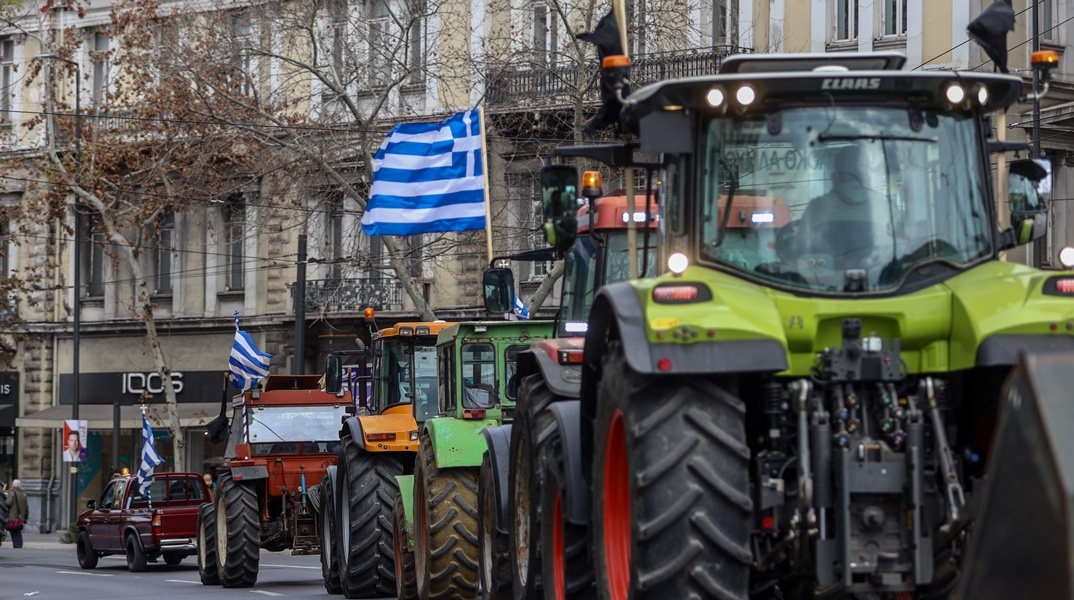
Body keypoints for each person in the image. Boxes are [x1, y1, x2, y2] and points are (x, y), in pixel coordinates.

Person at [797, 145, 891, 268]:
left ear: (836, 178)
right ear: (866, 177)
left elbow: (801, 251)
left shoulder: (815, 208)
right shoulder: (887, 208)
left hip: (821, 283)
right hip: (878, 281)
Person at [6, 479, 28, 549]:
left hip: (13, 516)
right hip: (21, 517)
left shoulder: (12, 493)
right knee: (18, 531)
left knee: (14, 531)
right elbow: (27, 507)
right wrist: (25, 517)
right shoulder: (24, 494)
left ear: (13, 485)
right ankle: (19, 544)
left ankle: (17, 545)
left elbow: (8, 503)